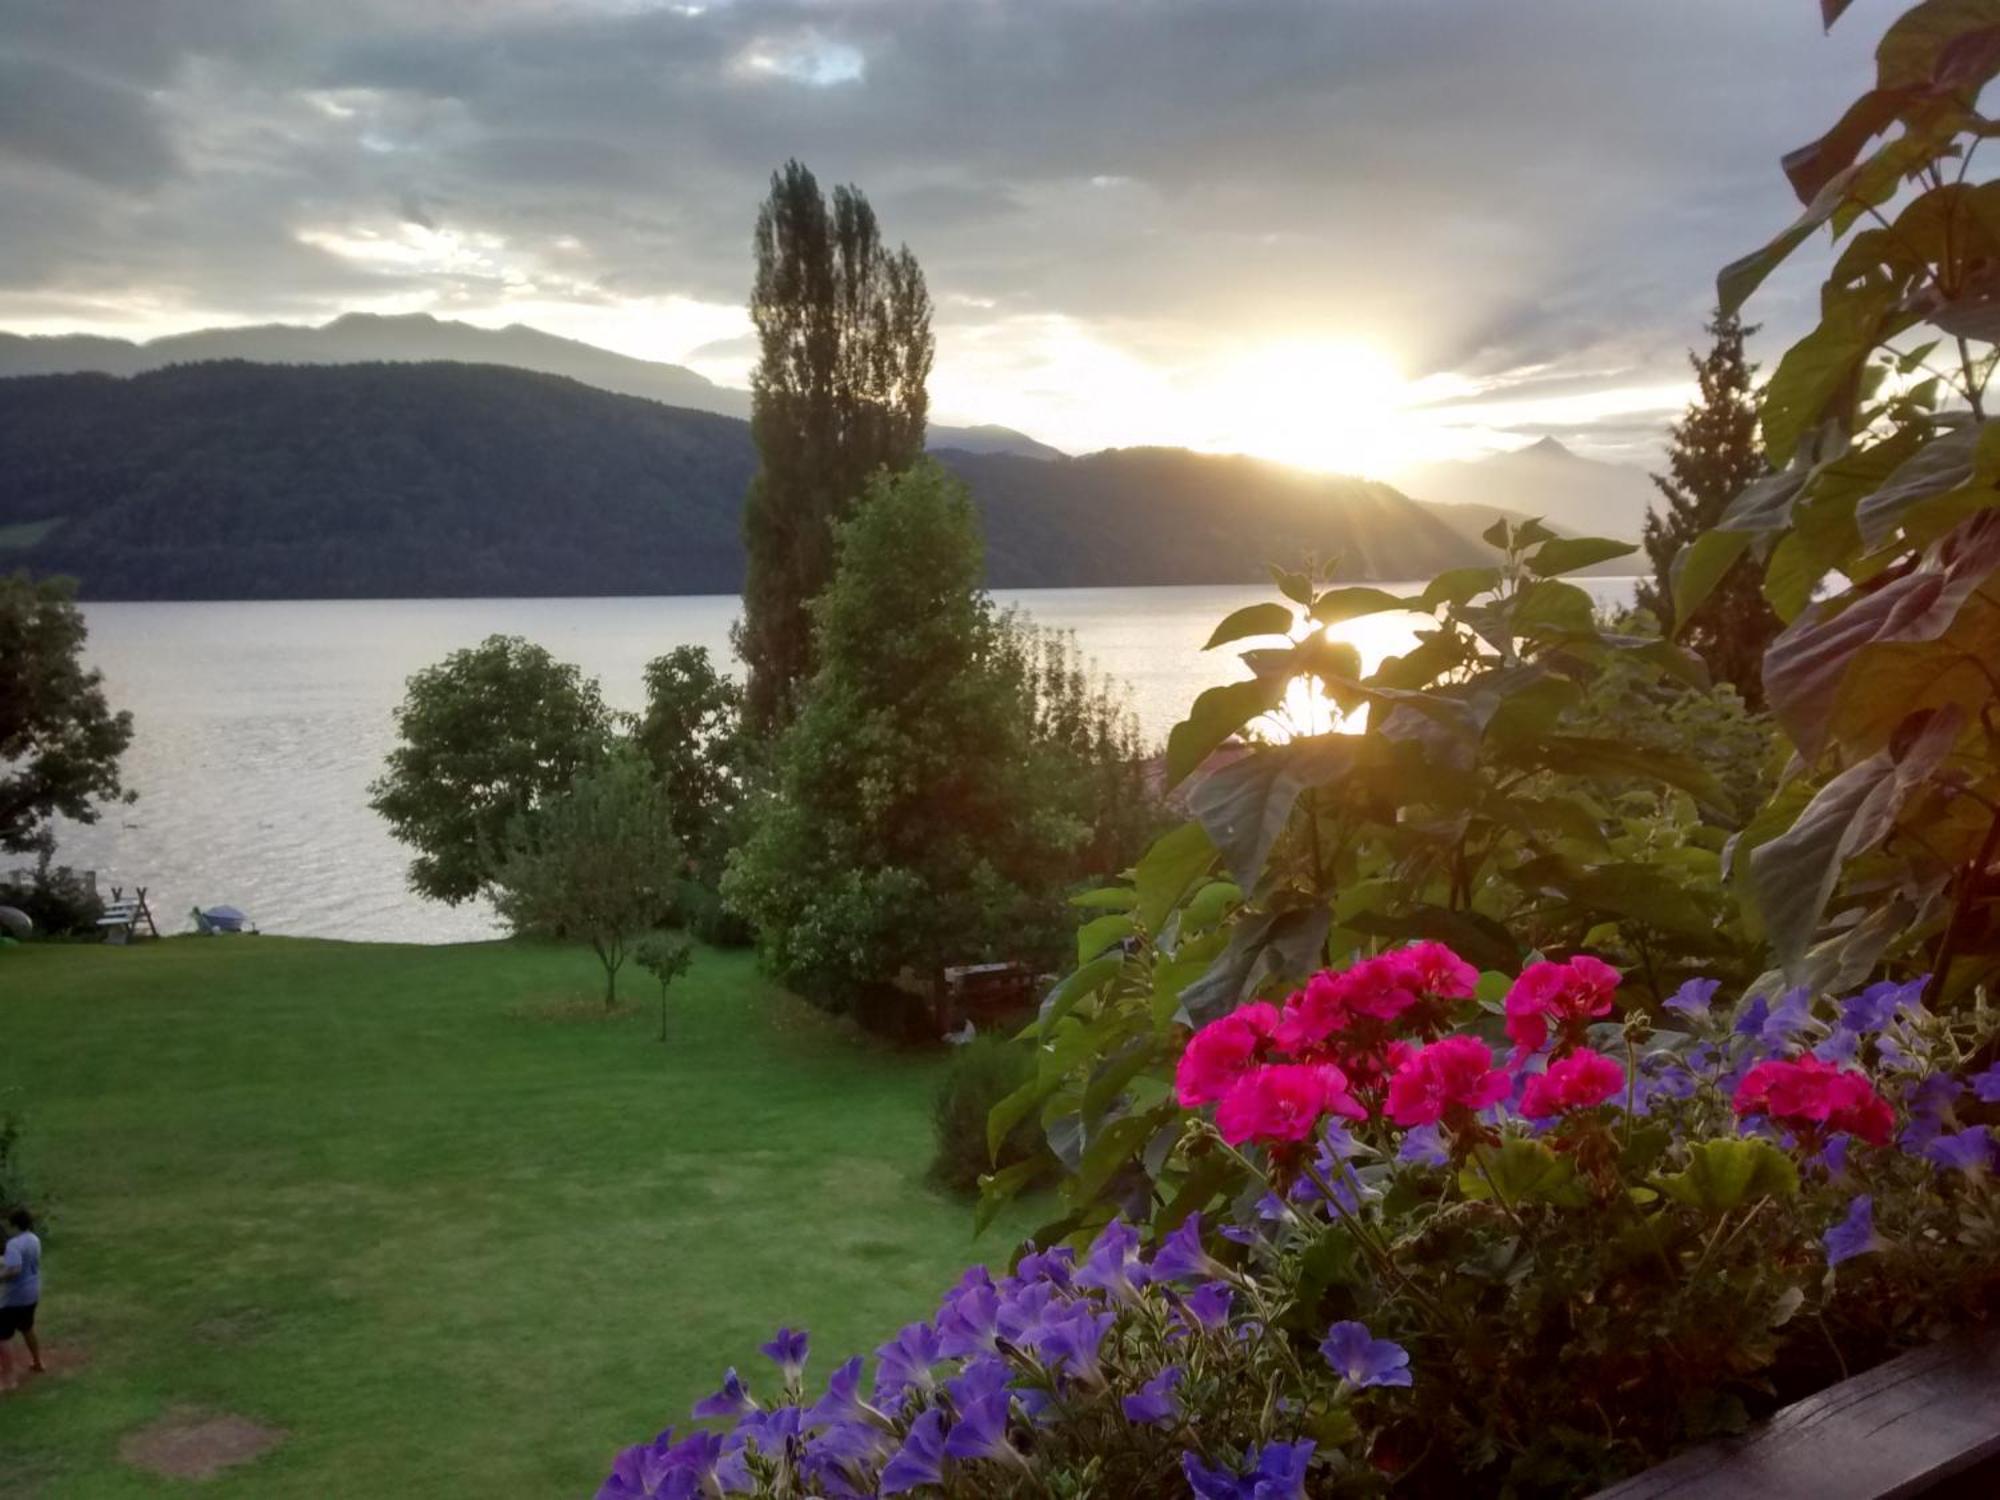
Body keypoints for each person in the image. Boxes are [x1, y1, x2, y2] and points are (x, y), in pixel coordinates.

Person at [0, 1206, 44, 1389]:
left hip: (15, 1296)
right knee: (27, 1327)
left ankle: (10, 1378)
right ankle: (37, 1362)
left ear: (14, 1225)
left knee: (2, 1336)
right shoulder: (34, 1239)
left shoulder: (14, 1244)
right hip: (33, 1292)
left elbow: (14, 1270)